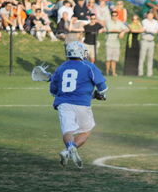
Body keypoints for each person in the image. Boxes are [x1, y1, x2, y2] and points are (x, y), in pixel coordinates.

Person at [50, 41, 107, 169]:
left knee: (68, 131)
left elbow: (53, 91)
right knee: (86, 132)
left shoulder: (60, 68)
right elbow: (102, 88)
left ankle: (69, 148)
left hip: (63, 104)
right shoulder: (89, 66)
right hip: (82, 104)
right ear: (80, 52)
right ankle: (71, 149)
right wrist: (99, 94)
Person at [105, 10, 128, 76]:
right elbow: (110, 29)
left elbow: (126, 29)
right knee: (108, 59)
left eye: (115, 15)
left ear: (117, 16)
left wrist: (123, 32)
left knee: (114, 60)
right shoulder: (108, 22)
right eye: (113, 15)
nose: (114, 17)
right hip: (109, 43)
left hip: (116, 44)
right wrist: (120, 31)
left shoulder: (120, 23)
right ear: (111, 16)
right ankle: (107, 73)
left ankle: (113, 73)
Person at [139, 10, 158, 77]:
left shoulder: (155, 22)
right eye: (149, 15)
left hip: (151, 41)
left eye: (151, 15)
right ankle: (140, 72)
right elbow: (147, 29)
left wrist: (154, 31)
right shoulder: (144, 21)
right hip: (145, 40)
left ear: (153, 16)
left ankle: (149, 73)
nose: (150, 17)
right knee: (142, 57)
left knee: (150, 57)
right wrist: (154, 31)